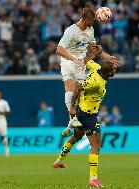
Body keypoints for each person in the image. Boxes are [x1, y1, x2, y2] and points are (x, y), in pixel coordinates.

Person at [53, 44, 117, 187]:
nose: (115, 70)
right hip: (88, 115)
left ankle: (59, 161)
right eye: (113, 69)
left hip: (83, 112)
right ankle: (92, 178)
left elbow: (88, 60)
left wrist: (97, 53)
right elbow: (78, 88)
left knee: (76, 137)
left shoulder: (97, 68)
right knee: (96, 144)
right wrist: (72, 107)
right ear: (108, 72)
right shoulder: (97, 83)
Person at [56, 6, 119, 137]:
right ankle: (72, 120)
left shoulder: (90, 30)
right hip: (68, 60)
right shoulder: (71, 31)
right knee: (70, 87)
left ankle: (70, 126)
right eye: (90, 21)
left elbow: (93, 49)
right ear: (84, 19)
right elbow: (59, 50)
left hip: (81, 63)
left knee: (79, 93)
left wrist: (107, 56)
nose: (92, 23)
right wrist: (73, 58)